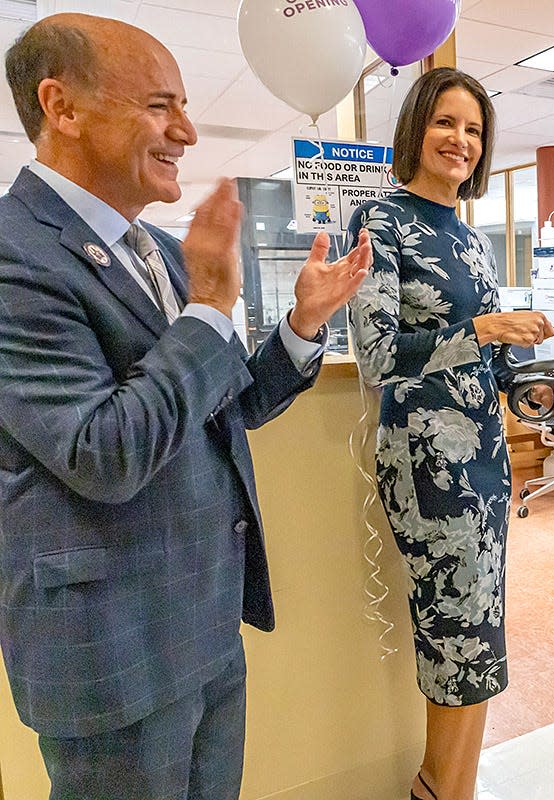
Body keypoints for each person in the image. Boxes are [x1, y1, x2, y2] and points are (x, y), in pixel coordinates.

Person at [0, 14, 371, 799]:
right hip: (113, 653)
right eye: (160, 105)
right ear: (61, 107)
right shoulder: (13, 254)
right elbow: (103, 453)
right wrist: (207, 308)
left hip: (205, 623)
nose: (188, 132)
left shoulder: (164, 252)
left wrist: (302, 324)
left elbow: (222, 407)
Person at [346, 68, 554, 800]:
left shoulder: (472, 240)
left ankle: (447, 787)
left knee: (479, 631)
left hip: (483, 455)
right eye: (447, 122)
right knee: (455, 630)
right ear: (416, 126)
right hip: (425, 464)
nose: (461, 140)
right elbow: (377, 354)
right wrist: (484, 326)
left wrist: (537, 388)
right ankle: (439, 789)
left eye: (475, 130)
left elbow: (481, 358)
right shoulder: (380, 222)